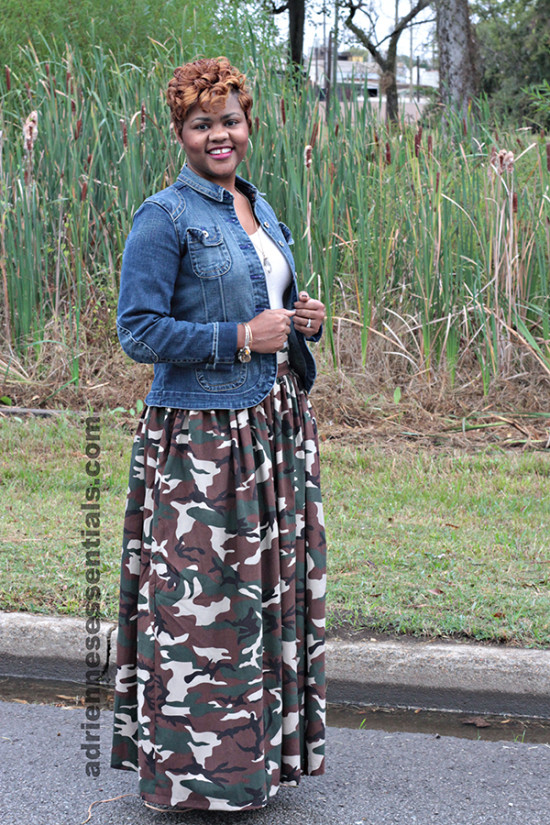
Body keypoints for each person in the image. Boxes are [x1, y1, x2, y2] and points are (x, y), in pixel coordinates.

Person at [110, 56, 326, 813]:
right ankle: (199, 781)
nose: (219, 134)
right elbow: (137, 331)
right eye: (202, 124)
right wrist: (240, 336)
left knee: (264, 603)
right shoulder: (163, 217)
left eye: (229, 119)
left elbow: (268, 305)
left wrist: (299, 320)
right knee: (208, 613)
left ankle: (258, 763)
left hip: (271, 429)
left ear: (248, 123)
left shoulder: (260, 210)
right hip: (204, 448)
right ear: (181, 133)